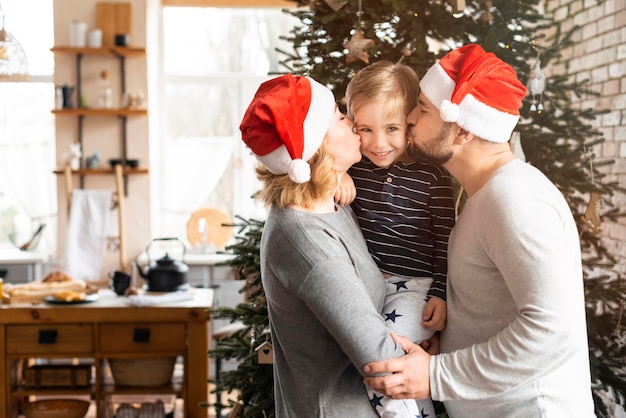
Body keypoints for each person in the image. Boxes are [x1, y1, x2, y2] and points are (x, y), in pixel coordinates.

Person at [363, 43, 596, 417]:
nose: (409, 118)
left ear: (461, 131)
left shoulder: (514, 199)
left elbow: (552, 331)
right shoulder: (484, 196)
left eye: (423, 109)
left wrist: (436, 375)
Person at [239, 73, 417, 417]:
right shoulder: (306, 242)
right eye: (338, 116)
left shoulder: (331, 203)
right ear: (318, 145)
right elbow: (381, 360)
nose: (353, 122)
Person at [336, 60, 456, 418]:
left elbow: (447, 239)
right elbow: (318, 172)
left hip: (416, 288)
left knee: (385, 367)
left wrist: (440, 293)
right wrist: (337, 174)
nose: (378, 143)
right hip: (371, 286)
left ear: (410, 124)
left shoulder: (432, 176)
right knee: (394, 365)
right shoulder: (353, 168)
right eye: (365, 129)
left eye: (391, 128)